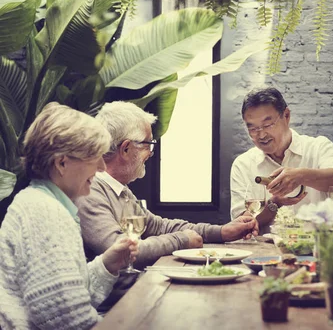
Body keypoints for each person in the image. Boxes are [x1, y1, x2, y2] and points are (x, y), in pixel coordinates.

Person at [0, 103, 138, 330]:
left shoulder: (42, 202)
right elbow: (66, 319)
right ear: (62, 162)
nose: (102, 167)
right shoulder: (44, 212)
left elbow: (67, 295)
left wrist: (106, 264)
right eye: (95, 157)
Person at [76, 101, 259, 273]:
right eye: (148, 145)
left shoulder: (119, 190)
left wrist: (222, 232)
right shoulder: (90, 191)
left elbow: (160, 226)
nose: (150, 153)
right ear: (126, 149)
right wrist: (181, 240)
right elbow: (120, 250)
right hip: (116, 303)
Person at [230, 87, 333, 228]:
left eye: (267, 125)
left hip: (317, 246)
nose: (261, 135)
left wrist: (300, 176)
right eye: (253, 129)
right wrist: (274, 203)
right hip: (265, 248)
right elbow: (242, 225)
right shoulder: (243, 164)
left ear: (286, 116)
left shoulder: (318, 147)